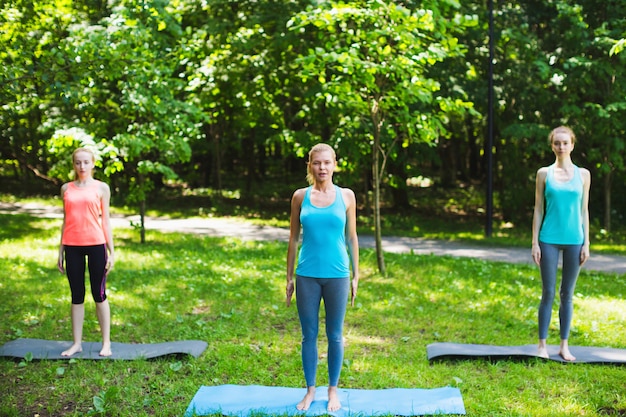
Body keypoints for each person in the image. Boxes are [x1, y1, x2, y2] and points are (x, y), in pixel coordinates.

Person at [286, 143, 359, 412]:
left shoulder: (347, 196)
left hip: (338, 274)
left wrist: (356, 275)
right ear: (310, 166)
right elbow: (293, 239)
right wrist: (289, 277)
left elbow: (352, 238)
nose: (322, 168)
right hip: (306, 274)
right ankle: (309, 391)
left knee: (336, 335)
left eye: (327, 162)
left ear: (335, 164)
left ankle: (333, 391)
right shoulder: (299, 197)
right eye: (317, 163)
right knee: (309, 335)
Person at [531, 126, 590, 361]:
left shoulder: (583, 175)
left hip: (575, 239)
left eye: (565, 143)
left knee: (567, 294)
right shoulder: (543, 174)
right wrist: (534, 242)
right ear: (552, 145)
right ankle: (542, 345)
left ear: (572, 145)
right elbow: (538, 209)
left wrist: (587, 243)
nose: (561, 147)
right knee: (548, 292)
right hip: (548, 239)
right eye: (557, 143)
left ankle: (564, 346)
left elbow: (584, 210)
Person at [57, 147, 115, 357]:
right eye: (78, 163)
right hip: (72, 246)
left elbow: (106, 221)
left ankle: (106, 343)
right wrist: (60, 251)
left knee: (99, 294)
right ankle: (76, 344)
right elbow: (66, 221)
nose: (82, 166)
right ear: (73, 165)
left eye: (85, 162)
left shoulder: (102, 188)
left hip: (96, 244)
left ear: (93, 164)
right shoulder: (66, 189)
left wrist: (112, 251)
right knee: (77, 296)